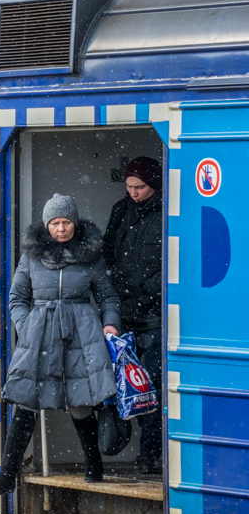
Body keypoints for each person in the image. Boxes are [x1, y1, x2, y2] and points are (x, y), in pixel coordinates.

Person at [0, 194, 121, 495]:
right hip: (40, 335)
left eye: (66, 222)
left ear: (74, 222)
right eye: (55, 223)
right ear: (46, 225)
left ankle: (93, 463)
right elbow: (17, 298)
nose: (61, 229)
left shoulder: (92, 256)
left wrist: (110, 323)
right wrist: (27, 326)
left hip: (82, 335)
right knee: (25, 401)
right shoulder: (32, 256)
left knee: (81, 401)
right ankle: (7, 474)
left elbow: (108, 297)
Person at [102, 157, 164, 476]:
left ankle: (149, 454)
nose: (134, 192)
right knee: (130, 388)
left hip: (153, 318)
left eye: (139, 187)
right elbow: (107, 253)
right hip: (126, 316)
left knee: (151, 388)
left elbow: (169, 265)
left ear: (153, 184)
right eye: (129, 186)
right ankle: (143, 450)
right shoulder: (120, 210)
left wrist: (145, 292)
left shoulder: (166, 214)